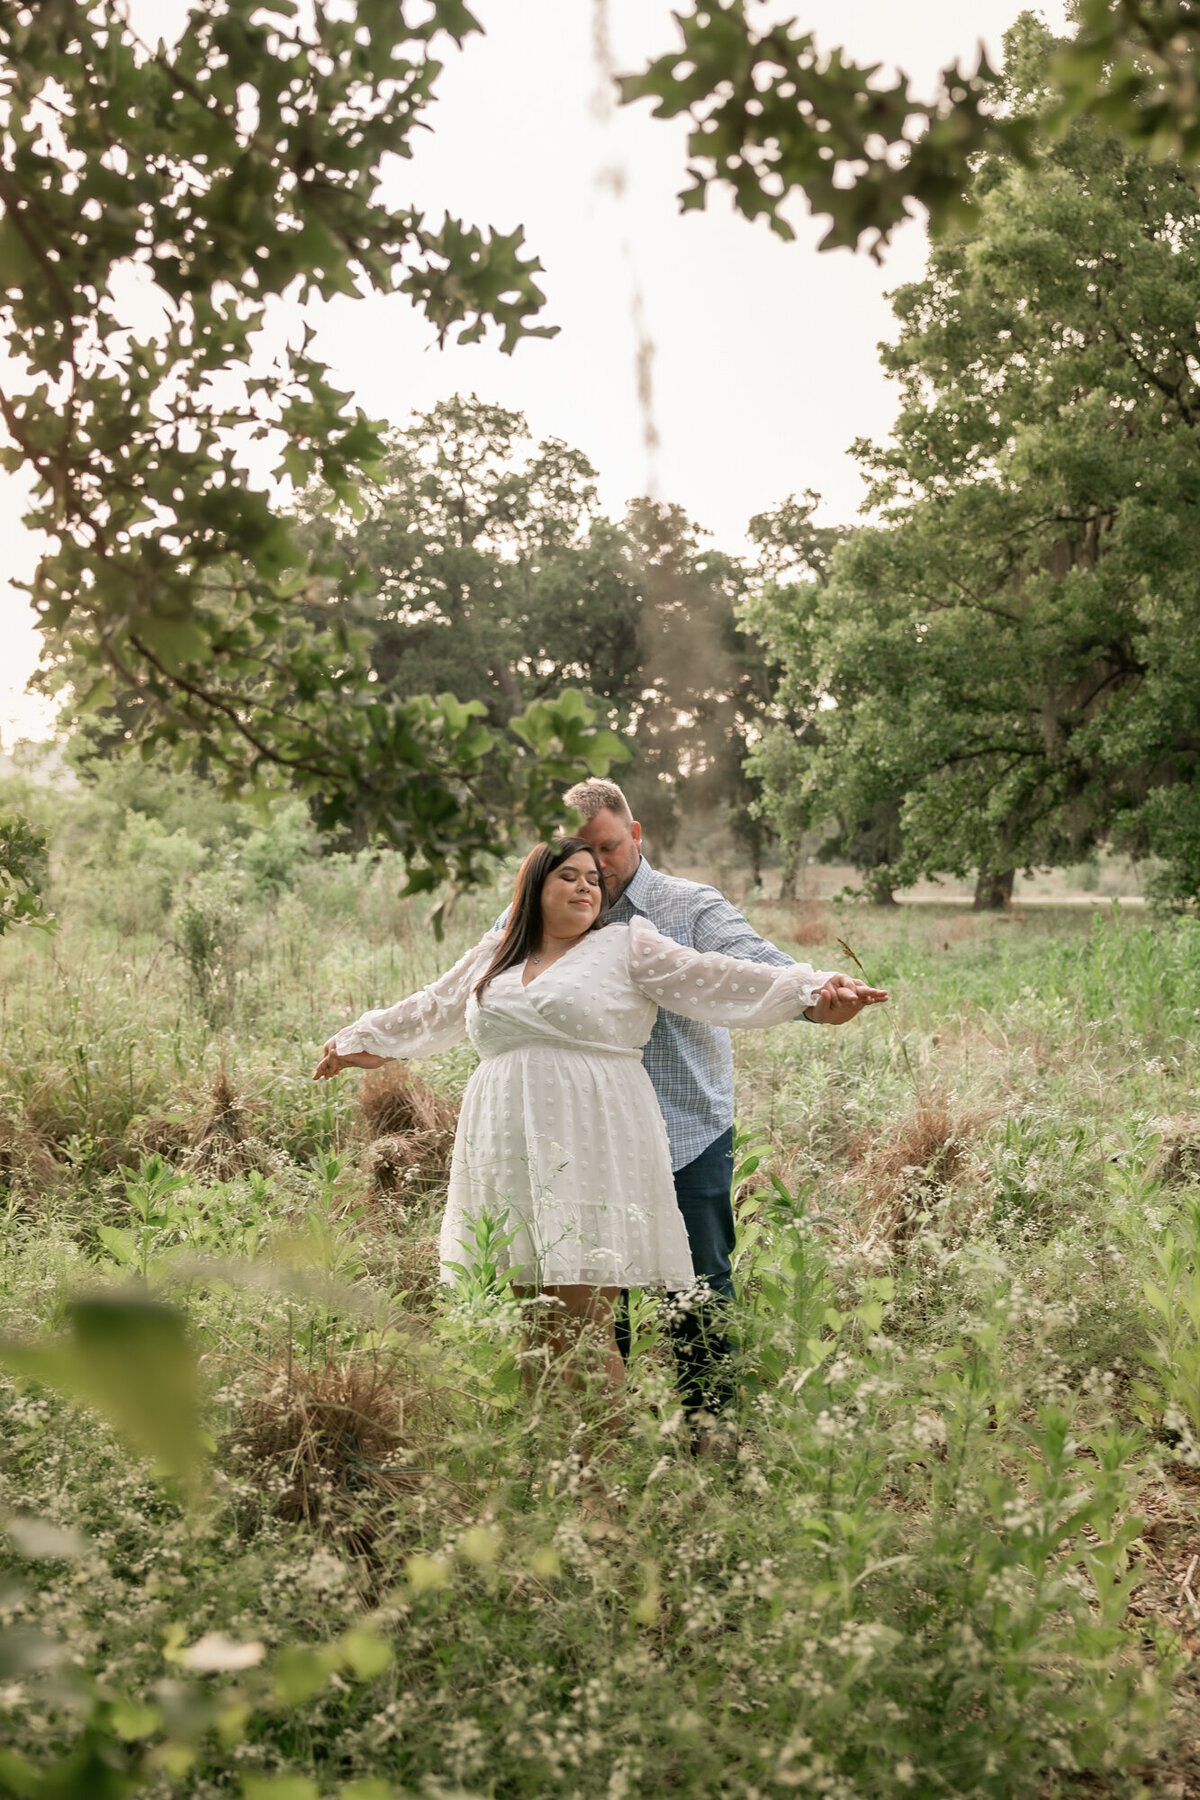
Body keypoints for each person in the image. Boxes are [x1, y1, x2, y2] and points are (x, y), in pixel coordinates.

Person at [315, 837, 885, 1412]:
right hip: (509, 1144)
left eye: (594, 878)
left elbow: (715, 976)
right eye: (569, 875)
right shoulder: (498, 951)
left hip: (589, 1141)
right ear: (533, 888)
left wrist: (812, 990)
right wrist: (361, 1041)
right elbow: (434, 1006)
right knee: (534, 1324)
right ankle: (553, 1470)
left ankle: (597, 1493)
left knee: (585, 1326)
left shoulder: (625, 944)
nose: (587, 886)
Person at [546, 778, 883, 1422]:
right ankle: (604, 1435)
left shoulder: (685, 906)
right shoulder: (546, 907)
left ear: (636, 835)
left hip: (684, 1128)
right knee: (592, 1289)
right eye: (580, 855)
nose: (598, 868)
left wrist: (818, 995)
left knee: (698, 1283)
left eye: (610, 849)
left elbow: (750, 961)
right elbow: (486, 970)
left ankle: (711, 1430)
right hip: (588, 1135)